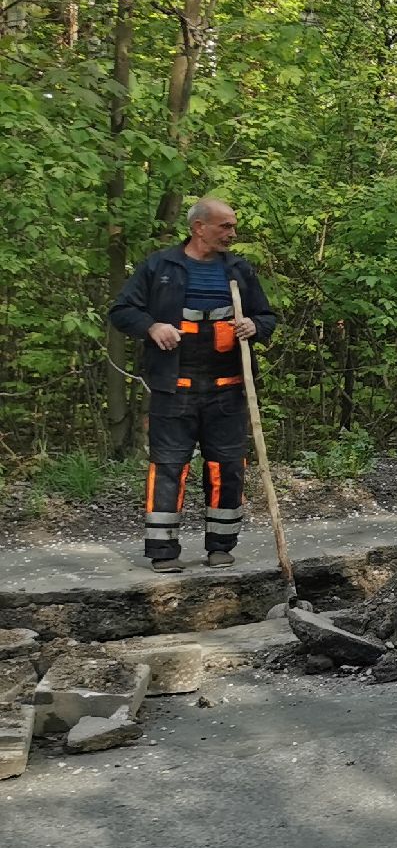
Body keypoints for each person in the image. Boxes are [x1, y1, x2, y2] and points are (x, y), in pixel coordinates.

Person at [108, 198, 278, 574]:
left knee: (227, 466)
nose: (232, 234)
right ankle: (163, 550)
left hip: (229, 388)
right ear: (198, 227)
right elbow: (122, 311)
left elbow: (267, 317)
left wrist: (254, 327)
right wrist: (152, 327)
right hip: (174, 387)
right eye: (225, 227)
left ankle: (221, 546)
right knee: (169, 466)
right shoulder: (159, 266)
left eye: (233, 227)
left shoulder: (239, 270)